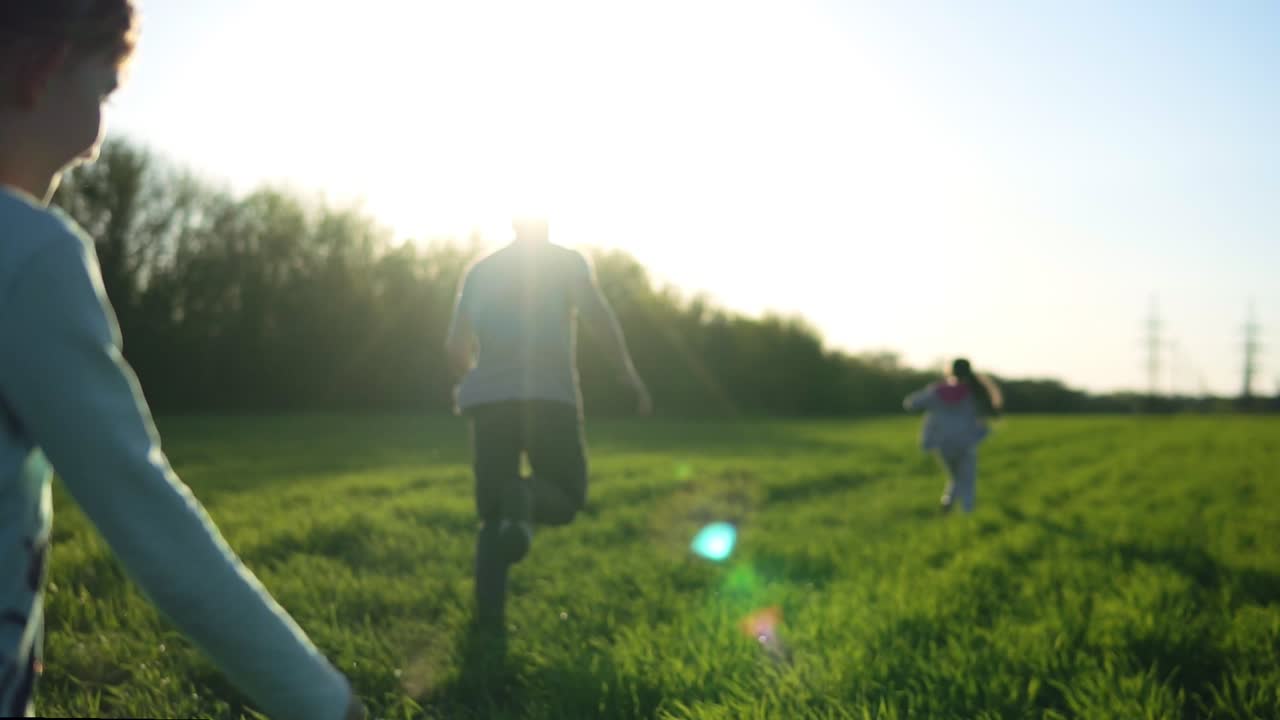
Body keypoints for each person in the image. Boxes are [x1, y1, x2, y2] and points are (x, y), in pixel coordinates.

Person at [0, 3, 364, 717]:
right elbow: (143, 509)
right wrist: (324, 704)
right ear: (45, 70)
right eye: (102, 91)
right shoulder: (29, 254)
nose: (96, 144)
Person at [446, 216, 651, 629]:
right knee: (567, 497)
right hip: (548, 397)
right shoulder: (567, 263)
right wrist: (626, 371)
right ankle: (525, 497)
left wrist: (469, 382)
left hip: (489, 402)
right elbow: (599, 318)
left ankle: (488, 625)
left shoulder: (480, 271)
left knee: (493, 514)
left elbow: (455, 344)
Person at [903, 358, 1003, 514]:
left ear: (950, 371)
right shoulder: (974, 392)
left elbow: (910, 403)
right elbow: (987, 412)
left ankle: (948, 502)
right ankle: (967, 512)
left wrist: (932, 397)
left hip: (942, 443)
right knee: (967, 479)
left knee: (956, 476)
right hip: (965, 441)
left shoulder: (937, 391)